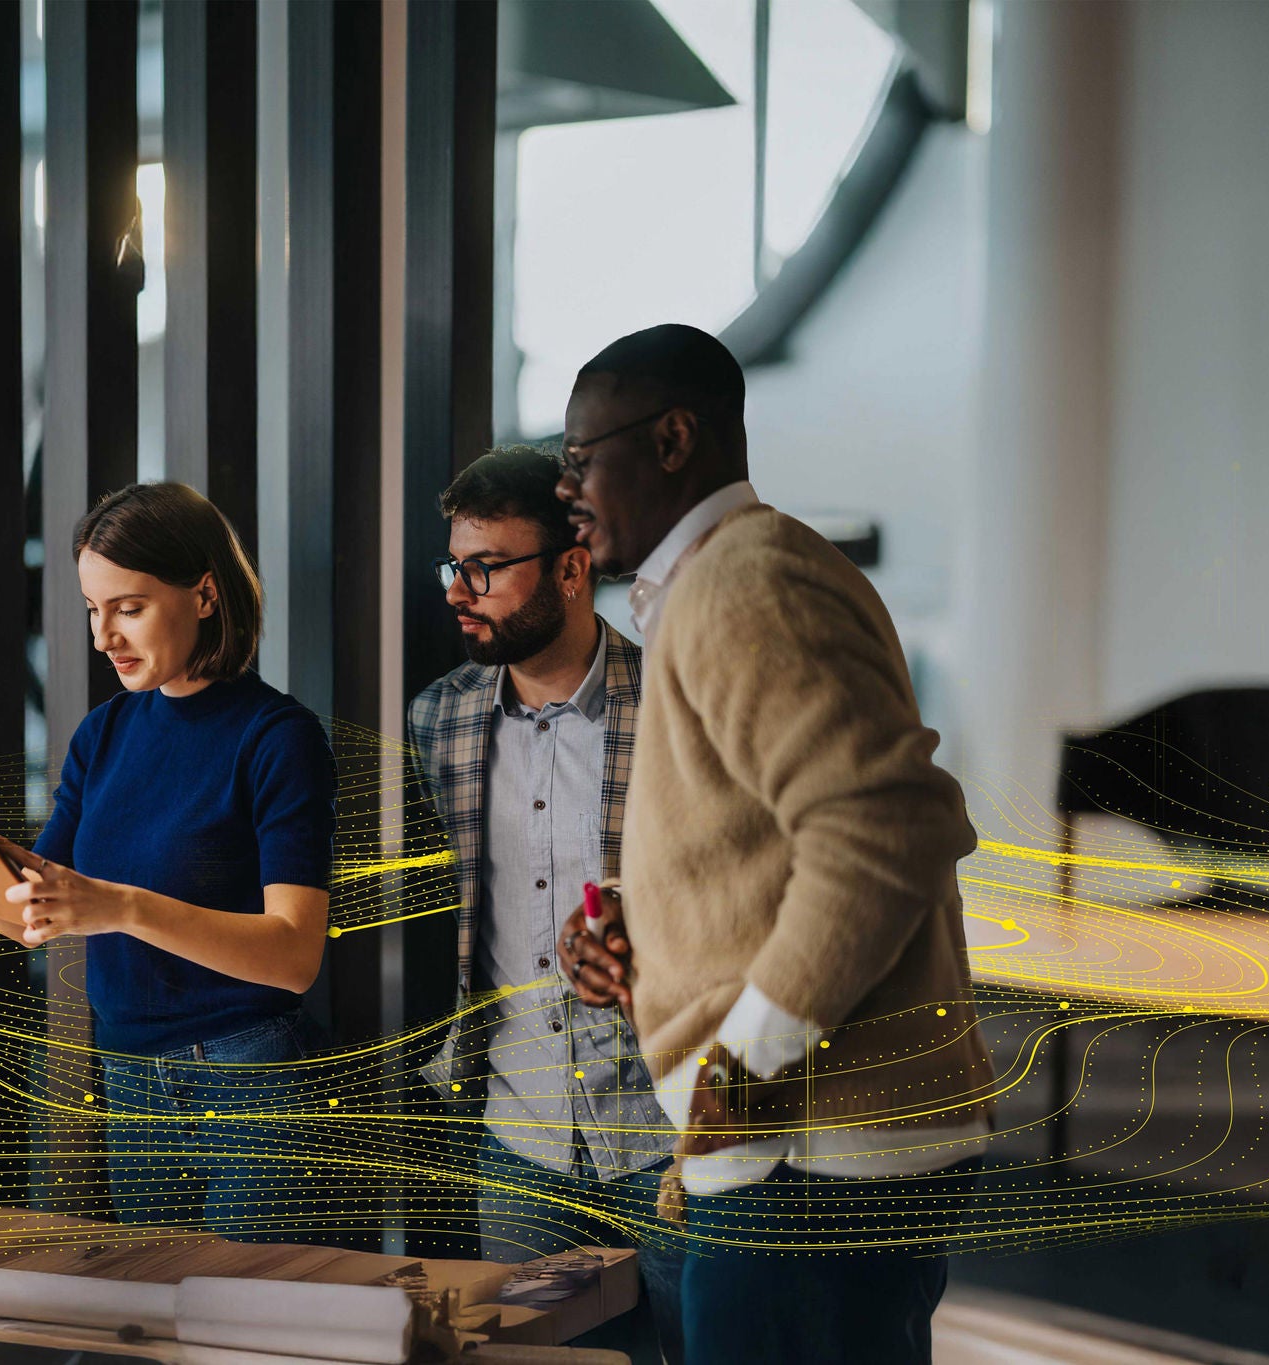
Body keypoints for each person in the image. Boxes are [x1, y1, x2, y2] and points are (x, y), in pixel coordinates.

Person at [552, 325, 995, 1364]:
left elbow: (887, 829)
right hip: (800, 1151)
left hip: (806, 1158)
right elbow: (772, 829)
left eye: (580, 458)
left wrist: (740, 1069)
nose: (566, 488)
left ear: (671, 440)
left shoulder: (742, 586)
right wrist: (646, 925)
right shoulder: (732, 579)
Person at [0, 482, 336, 1242]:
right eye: (94, 610)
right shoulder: (105, 732)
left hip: (251, 1082)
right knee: (159, 1330)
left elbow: (294, 955)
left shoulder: (278, 737)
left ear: (203, 595)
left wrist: (123, 906)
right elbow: (35, 910)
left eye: (128, 607)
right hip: (131, 1080)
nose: (104, 638)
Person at [408, 445, 684, 1364]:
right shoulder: (438, 720)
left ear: (571, 568)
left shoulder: (677, 703)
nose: (460, 589)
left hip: (667, 1137)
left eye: (486, 568)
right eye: (456, 564)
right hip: (517, 1140)